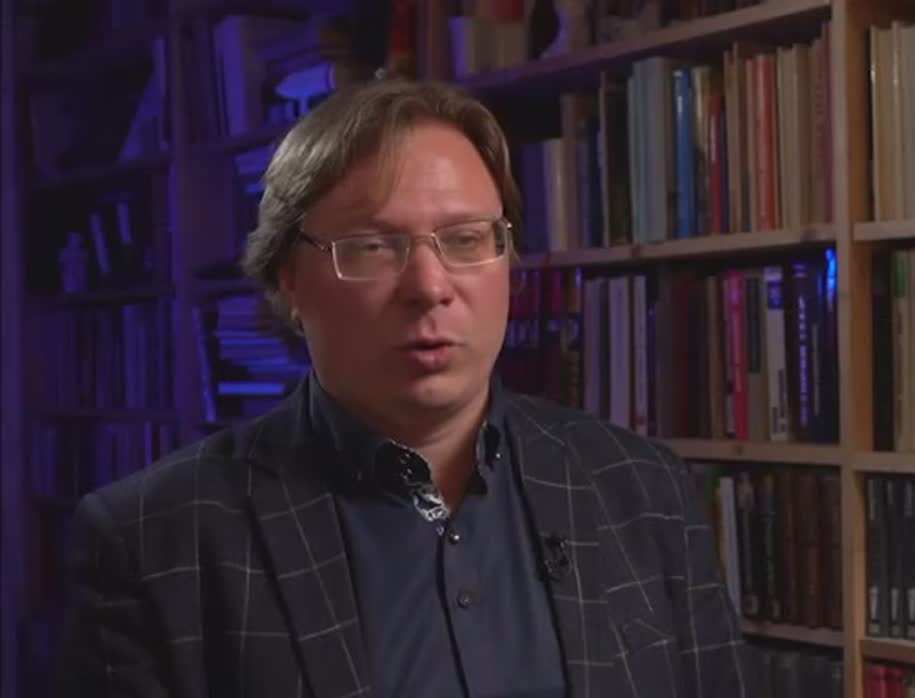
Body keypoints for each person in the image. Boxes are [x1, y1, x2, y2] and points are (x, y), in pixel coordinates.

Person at [60, 78, 749, 698]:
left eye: (466, 239)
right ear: (289, 279)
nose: (429, 287)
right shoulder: (154, 540)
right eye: (371, 246)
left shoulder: (643, 488)